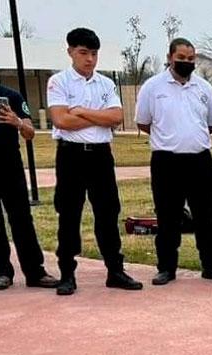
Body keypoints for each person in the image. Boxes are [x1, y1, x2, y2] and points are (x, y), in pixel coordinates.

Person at [47, 28, 143, 296]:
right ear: (70, 52)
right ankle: (67, 273)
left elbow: (116, 117)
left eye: (93, 54)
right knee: (69, 214)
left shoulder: (106, 84)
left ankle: (115, 270)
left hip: (100, 156)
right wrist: (97, 116)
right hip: (71, 156)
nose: (89, 59)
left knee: (108, 213)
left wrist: (82, 111)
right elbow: (61, 120)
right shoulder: (59, 82)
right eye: (83, 53)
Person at [136, 37, 212, 286]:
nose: (187, 62)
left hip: (200, 160)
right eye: (181, 58)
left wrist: (190, 137)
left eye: (191, 59)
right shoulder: (152, 87)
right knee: (167, 216)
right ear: (169, 57)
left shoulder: (204, 88)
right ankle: (166, 268)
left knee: (206, 215)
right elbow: (143, 122)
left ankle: (211, 266)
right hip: (166, 162)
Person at [0, 61, 59, 291]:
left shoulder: (12, 97)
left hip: (10, 166)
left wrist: (17, 121)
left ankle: (35, 271)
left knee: (21, 218)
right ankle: (1, 271)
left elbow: (30, 133)